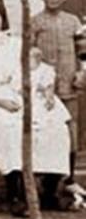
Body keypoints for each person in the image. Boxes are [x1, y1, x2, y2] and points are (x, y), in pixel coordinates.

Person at [0, 0, 71, 216]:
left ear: (2, 19)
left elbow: (37, 71)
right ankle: (16, 195)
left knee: (55, 124)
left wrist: (45, 93)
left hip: (20, 94)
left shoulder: (16, 45)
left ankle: (49, 192)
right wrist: (1, 102)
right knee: (10, 129)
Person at [31, 0, 84, 180]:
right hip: (44, 89)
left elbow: (83, 51)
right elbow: (29, 56)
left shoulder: (73, 22)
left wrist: (82, 72)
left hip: (69, 85)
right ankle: (47, 183)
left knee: (69, 130)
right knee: (46, 132)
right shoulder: (35, 22)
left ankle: (68, 180)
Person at [27, 47, 72, 208]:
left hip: (42, 103)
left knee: (57, 131)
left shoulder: (46, 70)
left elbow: (48, 89)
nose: (31, 61)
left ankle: (51, 185)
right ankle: (30, 188)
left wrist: (48, 97)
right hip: (27, 103)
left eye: (34, 58)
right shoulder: (18, 70)